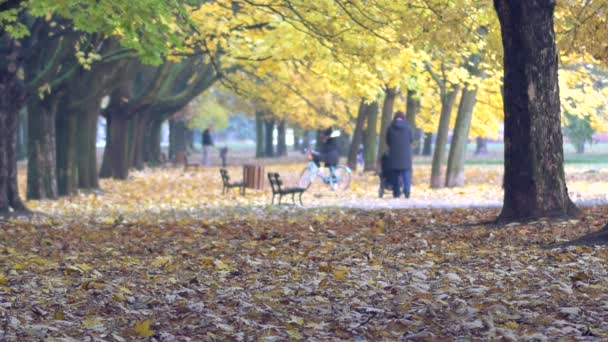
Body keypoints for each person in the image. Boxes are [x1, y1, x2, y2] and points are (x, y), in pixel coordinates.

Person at [386, 112, 413, 198]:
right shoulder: (408, 127)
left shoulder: (390, 127)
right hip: (405, 155)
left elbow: (387, 140)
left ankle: (396, 192)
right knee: (405, 173)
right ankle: (407, 190)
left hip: (394, 155)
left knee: (395, 175)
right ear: (403, 118)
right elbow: (411, 139)